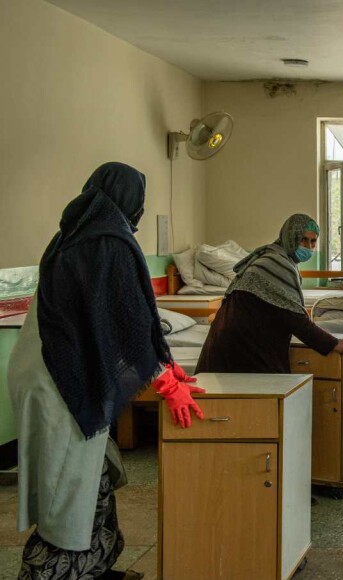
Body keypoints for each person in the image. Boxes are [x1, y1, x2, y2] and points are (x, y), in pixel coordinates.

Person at [8, 162, 204, 580]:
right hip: (60, 380)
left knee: (91, 477)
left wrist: (166, 365)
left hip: (47, 369)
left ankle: (95, 566)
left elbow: (120, 314)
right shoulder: (107, 242)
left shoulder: (76, 233)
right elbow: (124, 322)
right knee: (68, 489)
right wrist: (166, 381)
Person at [195, 214, 343, 374]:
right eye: (303, 240)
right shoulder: (274, 267)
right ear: (289, 237)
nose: (308, 247)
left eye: (313, 242)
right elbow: (297, 321)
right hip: (239, 353)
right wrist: (334, 344)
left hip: (237, 348)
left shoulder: (274, 259)